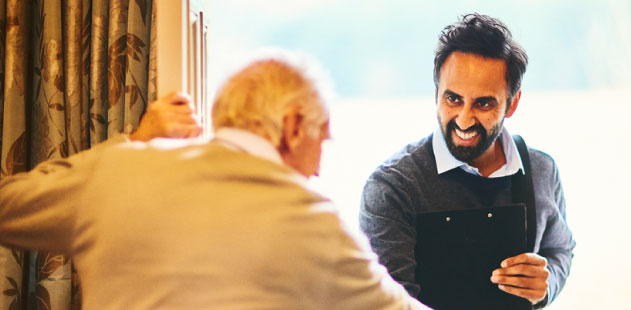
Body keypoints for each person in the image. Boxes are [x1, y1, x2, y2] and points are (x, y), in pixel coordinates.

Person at [0, 56, 428, 310]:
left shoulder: (117, 171)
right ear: (294, 126)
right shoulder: (313, 220)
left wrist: (134, 143)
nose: (318, 168)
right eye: (323, 138)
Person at [360, 13, 575, 308]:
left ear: (512, 103)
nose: (464, 119)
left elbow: (560, 249)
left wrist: (545, 285)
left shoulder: (542, 170)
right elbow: (388, 302)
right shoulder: (393, 186)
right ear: (437, 94)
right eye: (453, 99)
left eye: (483, 103)